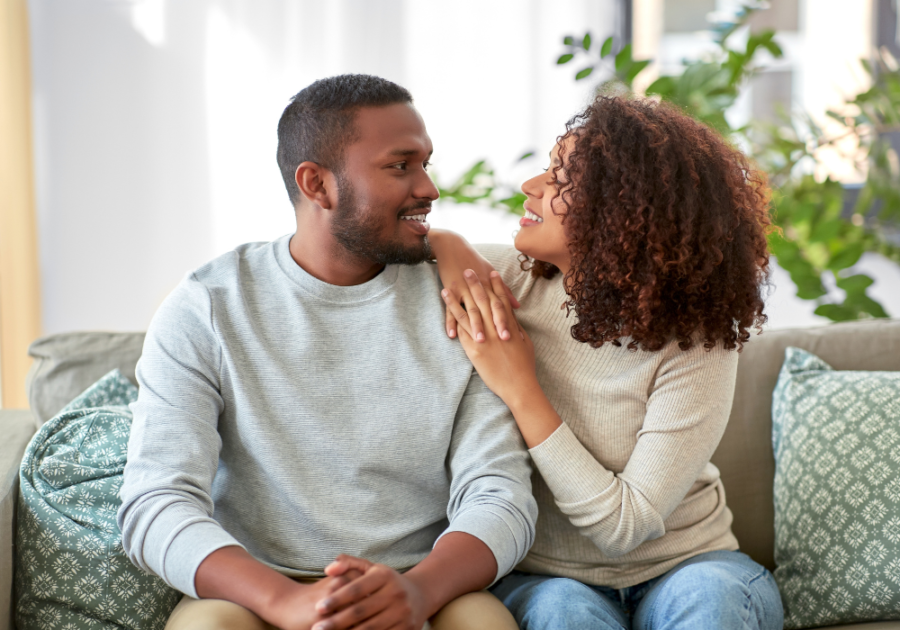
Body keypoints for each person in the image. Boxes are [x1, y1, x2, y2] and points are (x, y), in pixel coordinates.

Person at [118, 74, 536, 630]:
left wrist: (415, 592)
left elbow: (499, 493)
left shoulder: (460, 299)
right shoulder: (207, 307)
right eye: (399, 166)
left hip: (422, 583)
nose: (430, 188)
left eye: (425, 164)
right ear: (317, 185)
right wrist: (285, 601)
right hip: (255, 591)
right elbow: (155, 504)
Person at [429, 95, 784, 629]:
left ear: (622, 209)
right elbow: (396, 243)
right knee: (562, 612)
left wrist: (520, 388)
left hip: (690, 567)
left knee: (711, 602)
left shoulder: (697, 340)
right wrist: (446, 240)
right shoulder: (505, 284)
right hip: (550, 580)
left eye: (559, 179)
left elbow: (628, 524)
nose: (531, 187)